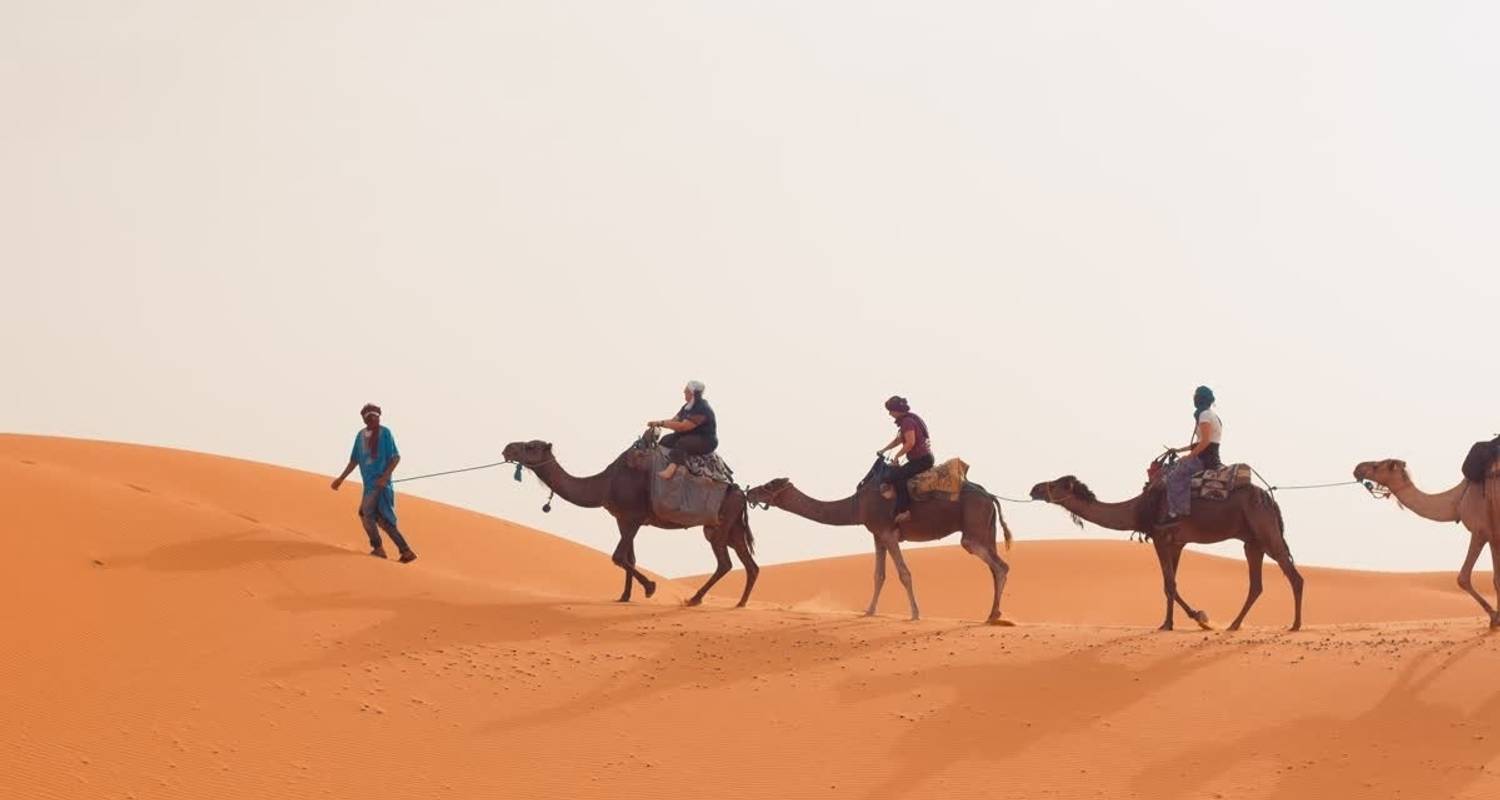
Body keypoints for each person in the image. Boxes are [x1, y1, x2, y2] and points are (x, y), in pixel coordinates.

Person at [331, 403, 417, 562]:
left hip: (380, 485)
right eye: (370, 417)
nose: (373, 420)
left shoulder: (385, 433)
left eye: (375, 417)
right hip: (369, 485)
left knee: (365, 513)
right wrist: (341, 479)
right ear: (365, 419)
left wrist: (385, 476)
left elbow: (395, 457)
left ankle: (378, 548)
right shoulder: (360, 436)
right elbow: (354, 460)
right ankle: (405, 551)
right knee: (381, 519)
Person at [1159, 385, 1223, 523]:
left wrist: (1189, 457)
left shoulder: (1205, 415)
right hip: (1209, 456)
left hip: (1204, 459)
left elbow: (1205, 442)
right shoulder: (1212, 416)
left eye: (1196, 395)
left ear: (1200, 398)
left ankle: (1177, 513)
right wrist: (1179, 450)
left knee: (1173, 476)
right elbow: (1202, 441)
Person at [877, 395, 934, 525]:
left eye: (891, 411)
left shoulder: (907, 422)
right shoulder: (907, 421)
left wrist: (897, 457)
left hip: (922, 460)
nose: (890, 414)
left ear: (897, 410)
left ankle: (904, 510)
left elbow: (910, 443)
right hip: (918, 460)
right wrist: (884, 450)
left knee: (897, 477)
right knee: (897, 473)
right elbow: (899, 440)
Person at [648, 380, 718, 480]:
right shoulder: (686, 407)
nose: (684, 393)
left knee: (682, 443)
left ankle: (671, 470)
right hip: (689, 435)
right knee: (666, 440)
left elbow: (683, 427)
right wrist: (658, 422)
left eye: (686, 391)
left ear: (693, 393)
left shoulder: (702, 409)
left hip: (705, 440)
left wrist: (661, 423)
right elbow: (674, 421)